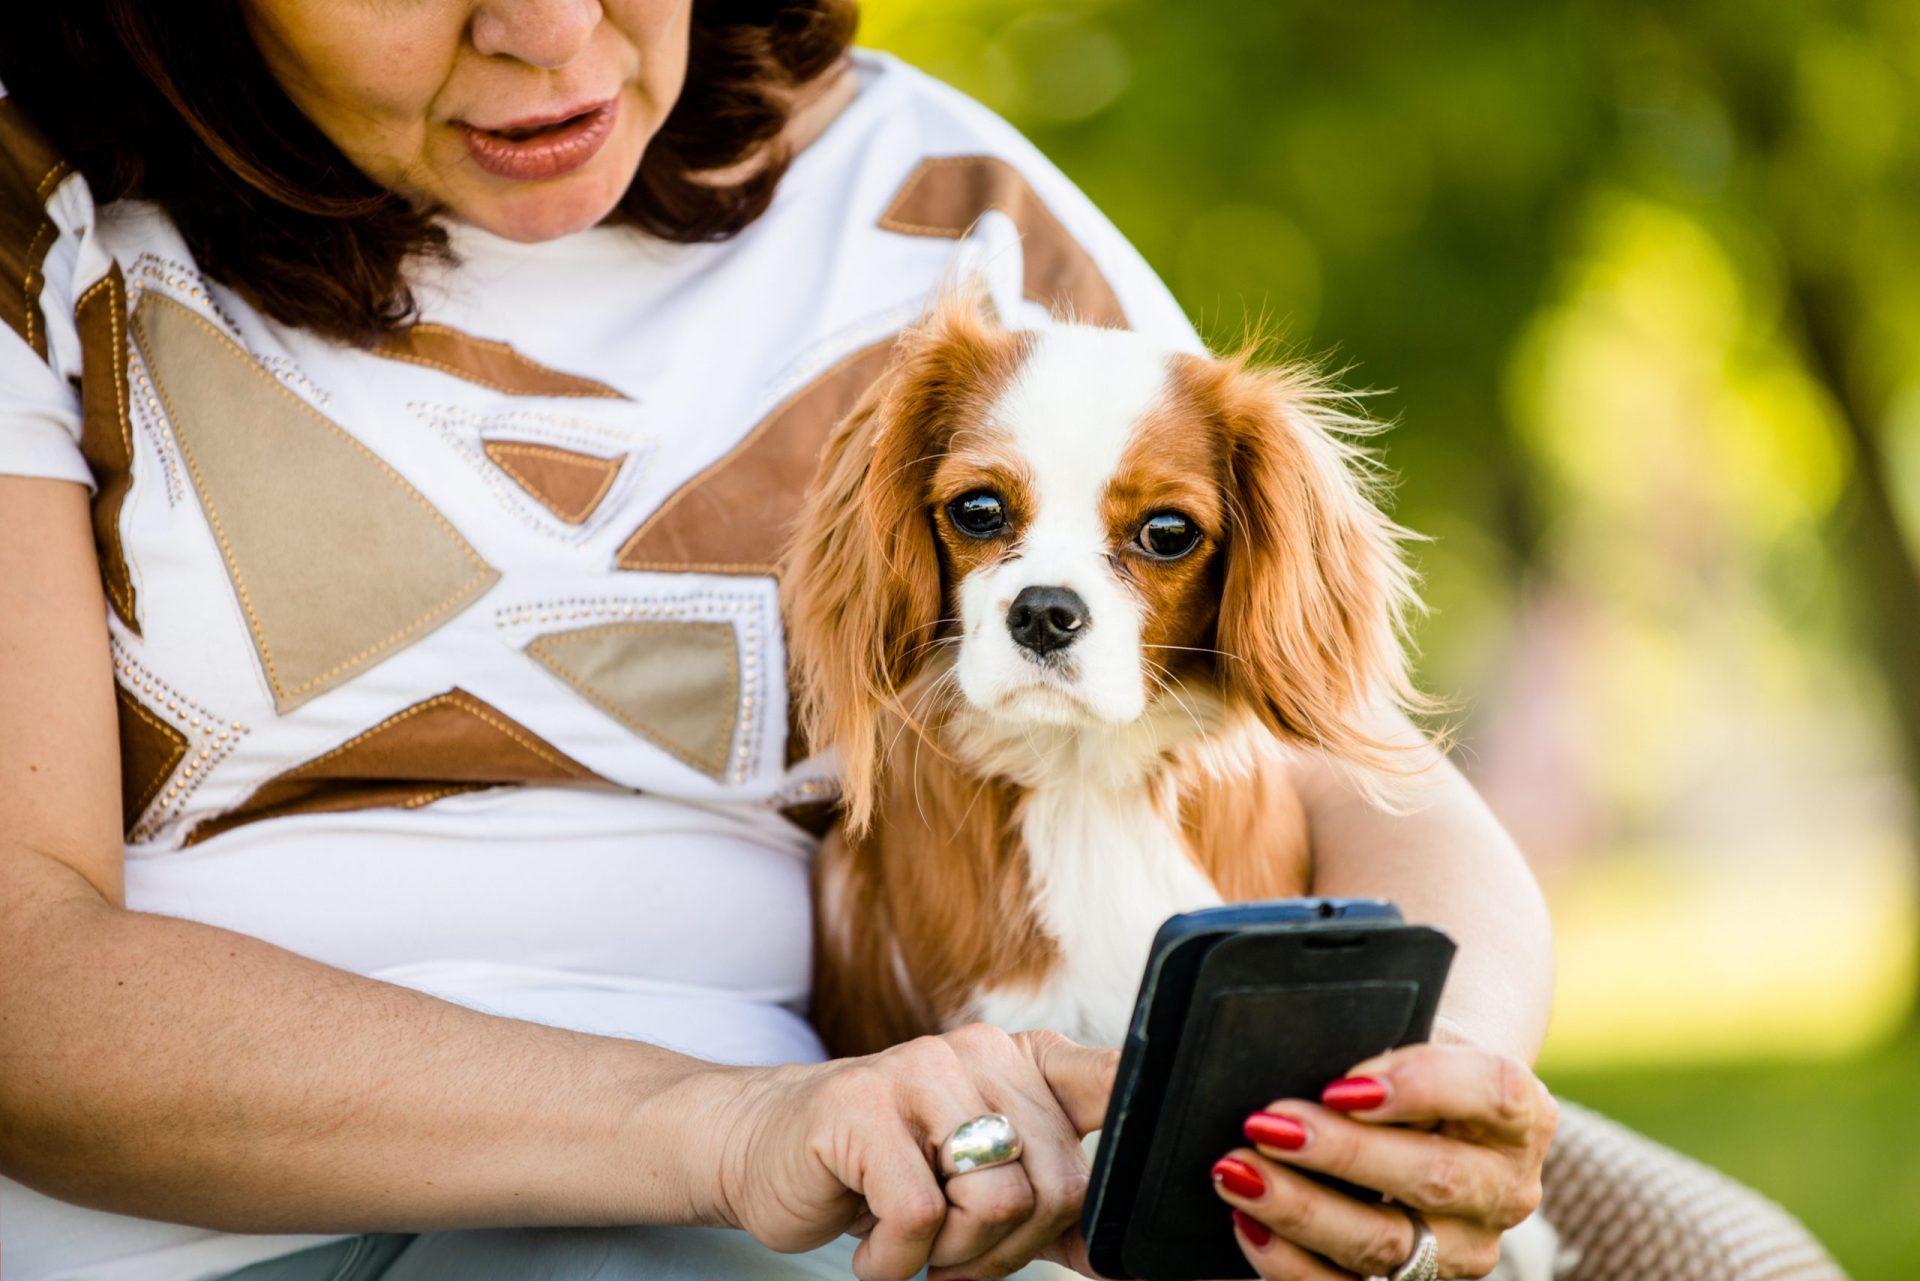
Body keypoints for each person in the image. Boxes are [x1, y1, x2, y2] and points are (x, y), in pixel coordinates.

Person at [0, 3, 1557, 1279]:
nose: (547, 32)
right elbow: (22, 972)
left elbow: (1344, 749)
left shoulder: (947, 206)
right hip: (224, 1240)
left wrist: (1440, 1099)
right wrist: (726, 1129)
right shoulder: (38, 208)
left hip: (853, 1214)